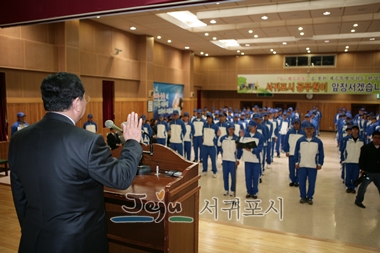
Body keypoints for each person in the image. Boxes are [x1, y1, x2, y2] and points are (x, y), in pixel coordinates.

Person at [8, 72, 143, 253]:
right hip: (77, 243)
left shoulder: (19, 139)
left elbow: (20, 197)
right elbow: (121, 178)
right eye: (85, 99)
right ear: (77, 103)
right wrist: (132, 142)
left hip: (32, 239)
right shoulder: (88, 141)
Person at [294, 122, 324, 205]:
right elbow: (296, 152)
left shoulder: (318, 142)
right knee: (302, 182)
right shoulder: (300, 141)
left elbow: (321, 153)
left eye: (311, 129)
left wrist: (320, 163)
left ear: (314, 130)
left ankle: (310, 197)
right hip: (302, 165)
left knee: (312, 182)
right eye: (307, 129)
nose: (309, 130)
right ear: (305, 130)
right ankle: (303, 196)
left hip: (313, 166)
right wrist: (296, 162)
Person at [238, 120, 264, 199]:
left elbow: (260, 148)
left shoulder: (260, 136)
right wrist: (241, 137)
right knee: (248, 176)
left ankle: (255, 192)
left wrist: (252, 150)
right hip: (247, 159)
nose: (250, 128)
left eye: (252, 127)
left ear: (256, 127)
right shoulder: (245, 135)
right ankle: (249, 191)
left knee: (255, 177)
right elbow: (240, 145)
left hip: (256, 160)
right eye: (249, 127)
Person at [354, 130, 380, 208]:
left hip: (378, 173)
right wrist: (362, 169)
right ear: (372, 138)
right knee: (363, 187)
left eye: (379, 138)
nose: (377, 140)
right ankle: (358, 201)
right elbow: (362, 159)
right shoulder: (366, 148)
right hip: (368, 172)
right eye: (375, 138)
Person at [340, 124, 365, 193]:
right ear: (351, 131)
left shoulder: (362, 140)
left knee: (355, 175)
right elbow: (343, 150)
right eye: (353, 129)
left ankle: (354, 187)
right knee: (348, 175)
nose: (355, 131)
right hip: (348, 160)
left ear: (358, 131)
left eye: (356, 129)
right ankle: (348, 187)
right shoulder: (347, 139)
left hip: (357, 161)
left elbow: (364, 151)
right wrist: (343, 159)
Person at [283, 119, 306, 187]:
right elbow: (286, 142)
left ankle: (297, 180)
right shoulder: (289, 132)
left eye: (298, 124)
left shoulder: (303, 133)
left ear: (299, 124)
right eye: (295, 124)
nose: (296, 125)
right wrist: (287, 151)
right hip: (291, 153)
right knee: (291, 167)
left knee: (299, 167)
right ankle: (292, 180)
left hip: (299, 154)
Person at [220, 125, 240, 196]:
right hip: (225, 159)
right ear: (227, 129)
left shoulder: (237, 139)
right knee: (225, 175)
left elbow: (239, 150)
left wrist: (238, 159)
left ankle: (232, 189)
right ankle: (226, 189)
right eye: (230, 129)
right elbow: (219, 146)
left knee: (233, 176)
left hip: (233, 160)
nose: (231, 131)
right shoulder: (223, 138)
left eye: (233, 129)